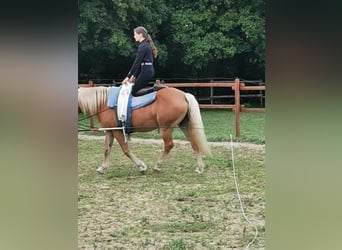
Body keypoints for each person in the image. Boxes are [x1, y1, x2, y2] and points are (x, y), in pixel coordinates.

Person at [122, 26, 164, 96]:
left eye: (135, 34)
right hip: (147, 71)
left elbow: (137, 62)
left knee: (134, 91)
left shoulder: (143, 46)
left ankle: (155, 88)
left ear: (140, 34)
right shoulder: (145, 45)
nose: (134, 36)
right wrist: (134, 75)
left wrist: (128, 76)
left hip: (146, 72)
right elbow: (140, 63)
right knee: (138, 88)